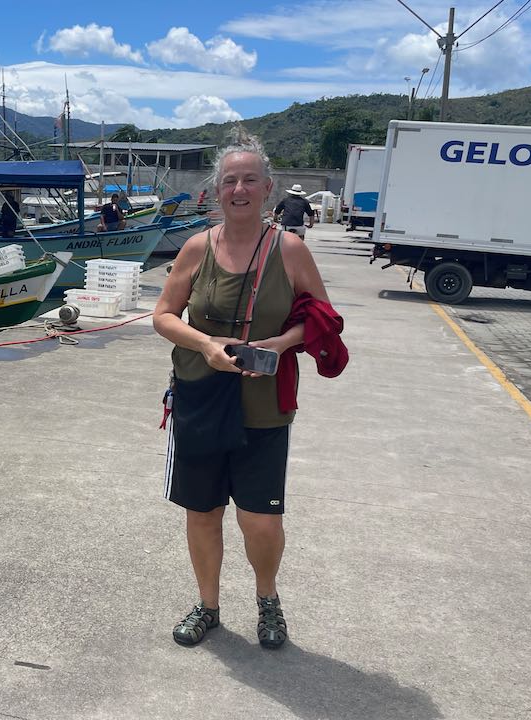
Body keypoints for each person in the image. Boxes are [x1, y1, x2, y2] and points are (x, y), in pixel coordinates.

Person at [152, 132, 333, 651]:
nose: (239, 189)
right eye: (229, 180)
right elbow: (163, 316)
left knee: (261, 520)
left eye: (250, 179)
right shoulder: (196, 248)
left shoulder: (290, 250)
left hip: (264, 405)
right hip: (200, 397)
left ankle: (267, 598)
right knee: (202, 511)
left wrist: (281, 342)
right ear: (216, 191)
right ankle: (207, 606)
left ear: (268, 188)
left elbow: (323, 319)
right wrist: (206, 345)